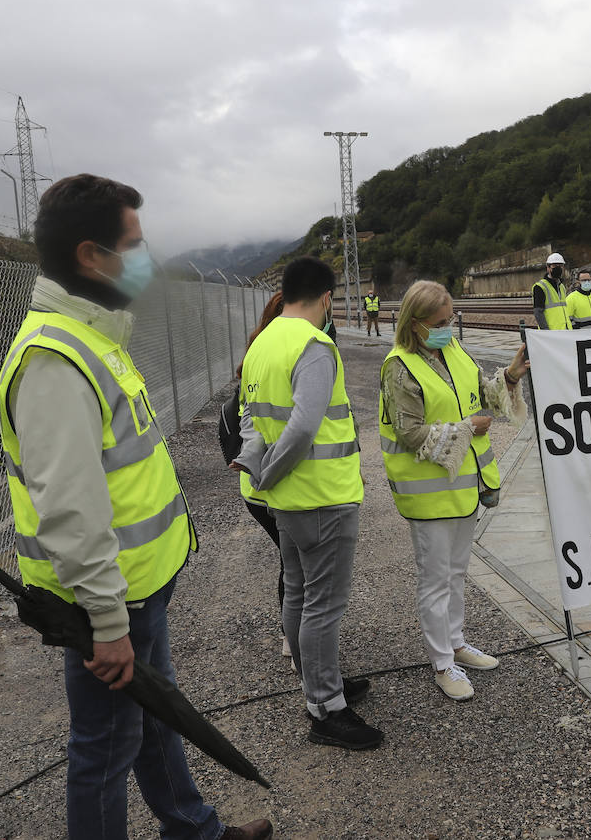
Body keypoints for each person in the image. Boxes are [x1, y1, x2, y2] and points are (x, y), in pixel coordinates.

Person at [0, 173, 271, 840]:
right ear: (92, 255)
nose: (145, 258)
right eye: (135, 245)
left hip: (137, 588)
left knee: (156, 717)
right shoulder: (56, 359)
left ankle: (193, 830)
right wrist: (105, 617)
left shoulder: (92, 338)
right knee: (104, 750)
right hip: (106, 601)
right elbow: (69, 507)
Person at [233, 256, 381, 750]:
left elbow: (249, 421)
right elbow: (303, 426)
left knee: (298, 591)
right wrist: (272, 471)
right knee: (324, 604)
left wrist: (262, 476)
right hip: (323, 496)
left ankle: (320, 681)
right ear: (325, 298)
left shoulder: (261, 344)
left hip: (288, 501)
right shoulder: (315, 346)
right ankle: (325, 708)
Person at [378, 280, 529, 701]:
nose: (448, 328)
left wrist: (512, 375)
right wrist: (467, 428)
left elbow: (480, 390)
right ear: (417, 323)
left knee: (457, 573)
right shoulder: (399, 367)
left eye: (451, 320)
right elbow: (409, 433)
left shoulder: (452, 350)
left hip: (464, 488)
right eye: (440, 322)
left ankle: (457, 643)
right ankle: (442, 661)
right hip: (429, 496)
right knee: (435, 580)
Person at [219, 291, 294, 662]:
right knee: (295, 563)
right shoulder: (281, 360)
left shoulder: (256, 354)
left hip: (254, 486)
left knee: (291, 559)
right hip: (272, 484)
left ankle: (292, 634)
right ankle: (296, 639)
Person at [533, 252, 570, 330]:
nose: (558, 268)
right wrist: (546, 332)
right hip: (551, 333)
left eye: (560, 265)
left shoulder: (562, 287)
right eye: (555, 265)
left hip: (565, 331)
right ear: (548, 267)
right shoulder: (540, 287)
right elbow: (538, 313)